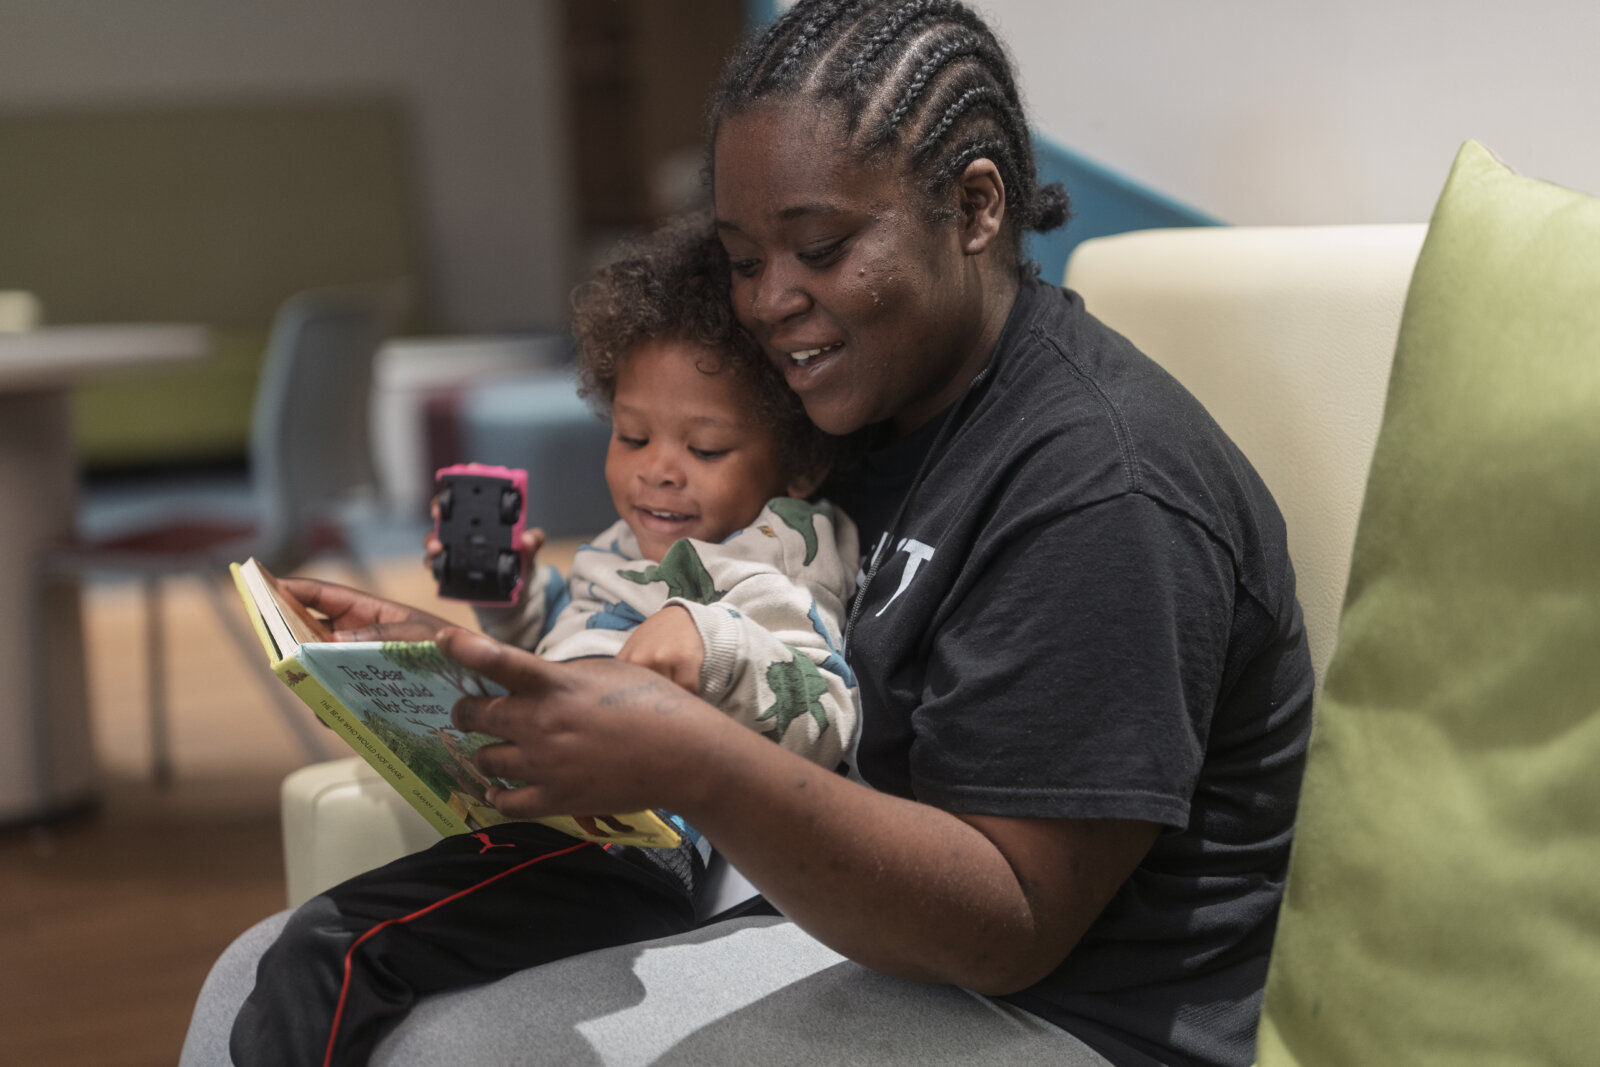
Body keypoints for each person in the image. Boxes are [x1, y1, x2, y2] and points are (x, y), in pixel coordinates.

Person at [183, 3, 1314, 1065]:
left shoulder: (1098, 484)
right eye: (741, 257)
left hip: (1062, 1016)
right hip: (831, 919)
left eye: (819, 247)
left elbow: (1010, 924)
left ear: (976, 210)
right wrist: (468, 667)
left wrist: (689, 753)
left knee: (446, 1048)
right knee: (254, 975)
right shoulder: (852, 415)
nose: (769, 300)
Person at [223, 215, 860, 1067]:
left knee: (331, 950)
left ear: (800, 464)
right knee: (327, 942)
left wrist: (710, 639)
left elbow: (824, 704)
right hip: (540, 818)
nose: (658, 467)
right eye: (632, 435)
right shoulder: (630, 545)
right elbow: (575, 642)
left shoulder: (769, 554)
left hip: (619, 852)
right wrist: (517, 602)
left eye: (705, 446)